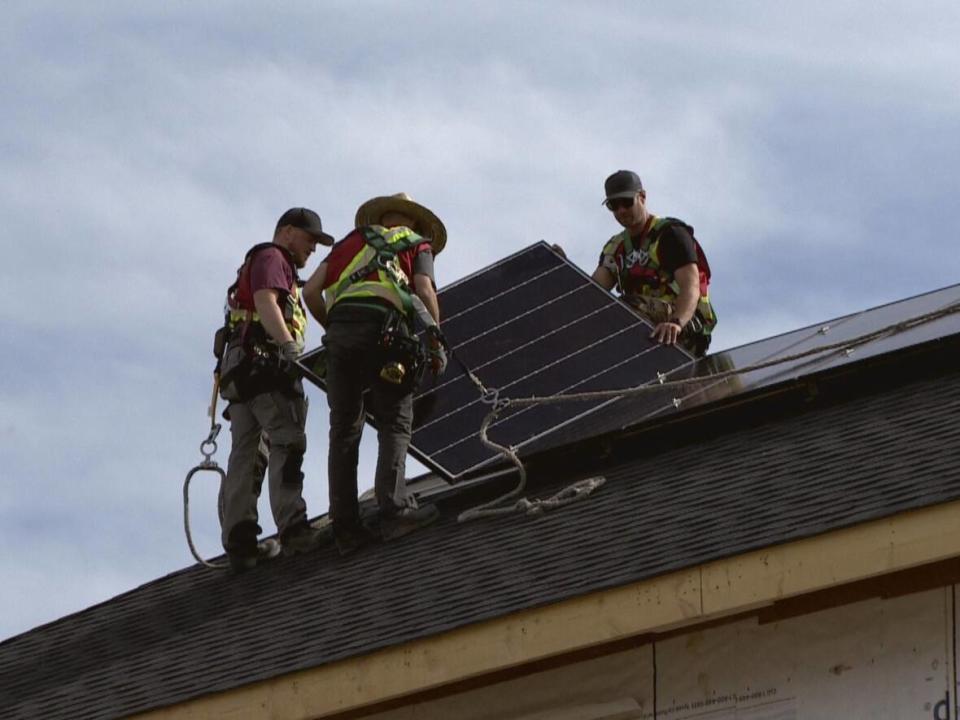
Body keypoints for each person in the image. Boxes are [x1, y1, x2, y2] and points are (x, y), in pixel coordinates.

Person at [303, 193, 447, 555]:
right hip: (385, 332)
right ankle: (394, 510)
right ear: (412, 222)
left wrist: (335, 327)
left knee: (345, 429)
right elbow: (424, 290)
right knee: (395, 420)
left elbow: (309, 291)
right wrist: (435, 341)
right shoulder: (416, 243)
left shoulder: (348, 244)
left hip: (340, 336)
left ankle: (346, 527)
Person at [217, 207, 335, 572]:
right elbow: (268, 300)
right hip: (265, 366)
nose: (312, 248)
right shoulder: (272, 257)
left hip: (240, 372)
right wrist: (287, 344)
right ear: (286, 232)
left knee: (247, 451)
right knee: (288, 439)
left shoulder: (259, 263)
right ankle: (294, 529)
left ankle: (240, 543)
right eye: (309, 239)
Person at [592, 170, 717, 356]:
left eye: (626, 202)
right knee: (601, 314)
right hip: (640, 321)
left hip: (685, 322)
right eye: (613, 205)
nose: (621, 211)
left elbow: (691, 286)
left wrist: (676, 322)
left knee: (625, 307)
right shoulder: (615, 247)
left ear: (642, 197)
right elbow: (592, 292)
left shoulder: (670, 234)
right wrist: (561, 268)